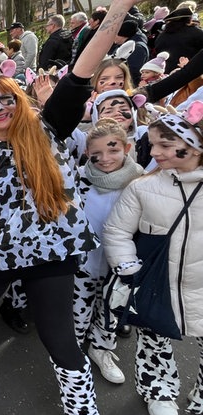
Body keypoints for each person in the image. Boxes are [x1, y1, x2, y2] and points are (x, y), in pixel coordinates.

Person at [0, 2, 140, 415]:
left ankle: (83, 413)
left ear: (19, 100)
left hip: (50, 251)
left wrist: (118, 10)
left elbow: (83, 68)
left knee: (59, 338)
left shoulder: (49, 127)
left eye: (6, 98)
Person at [103, 109, 203, 415]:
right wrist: (128, 267)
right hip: (157, 284)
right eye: (153, 143)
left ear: (196, 145)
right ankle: (158, 392)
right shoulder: (141, 188)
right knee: (154, 341)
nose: (155, 151)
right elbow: (117, 232)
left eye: (166, 144)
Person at [74, 119, 143, 386]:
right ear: (87, 153)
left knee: (110, 310)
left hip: (120, 267)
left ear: (126, 148)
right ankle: (74, 349)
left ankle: (101, 349)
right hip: (83, 262)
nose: (105, 159)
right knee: (78, 308)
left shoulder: (139, 181)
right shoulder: (79, 178)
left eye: (113, 150)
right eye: (96, 153)